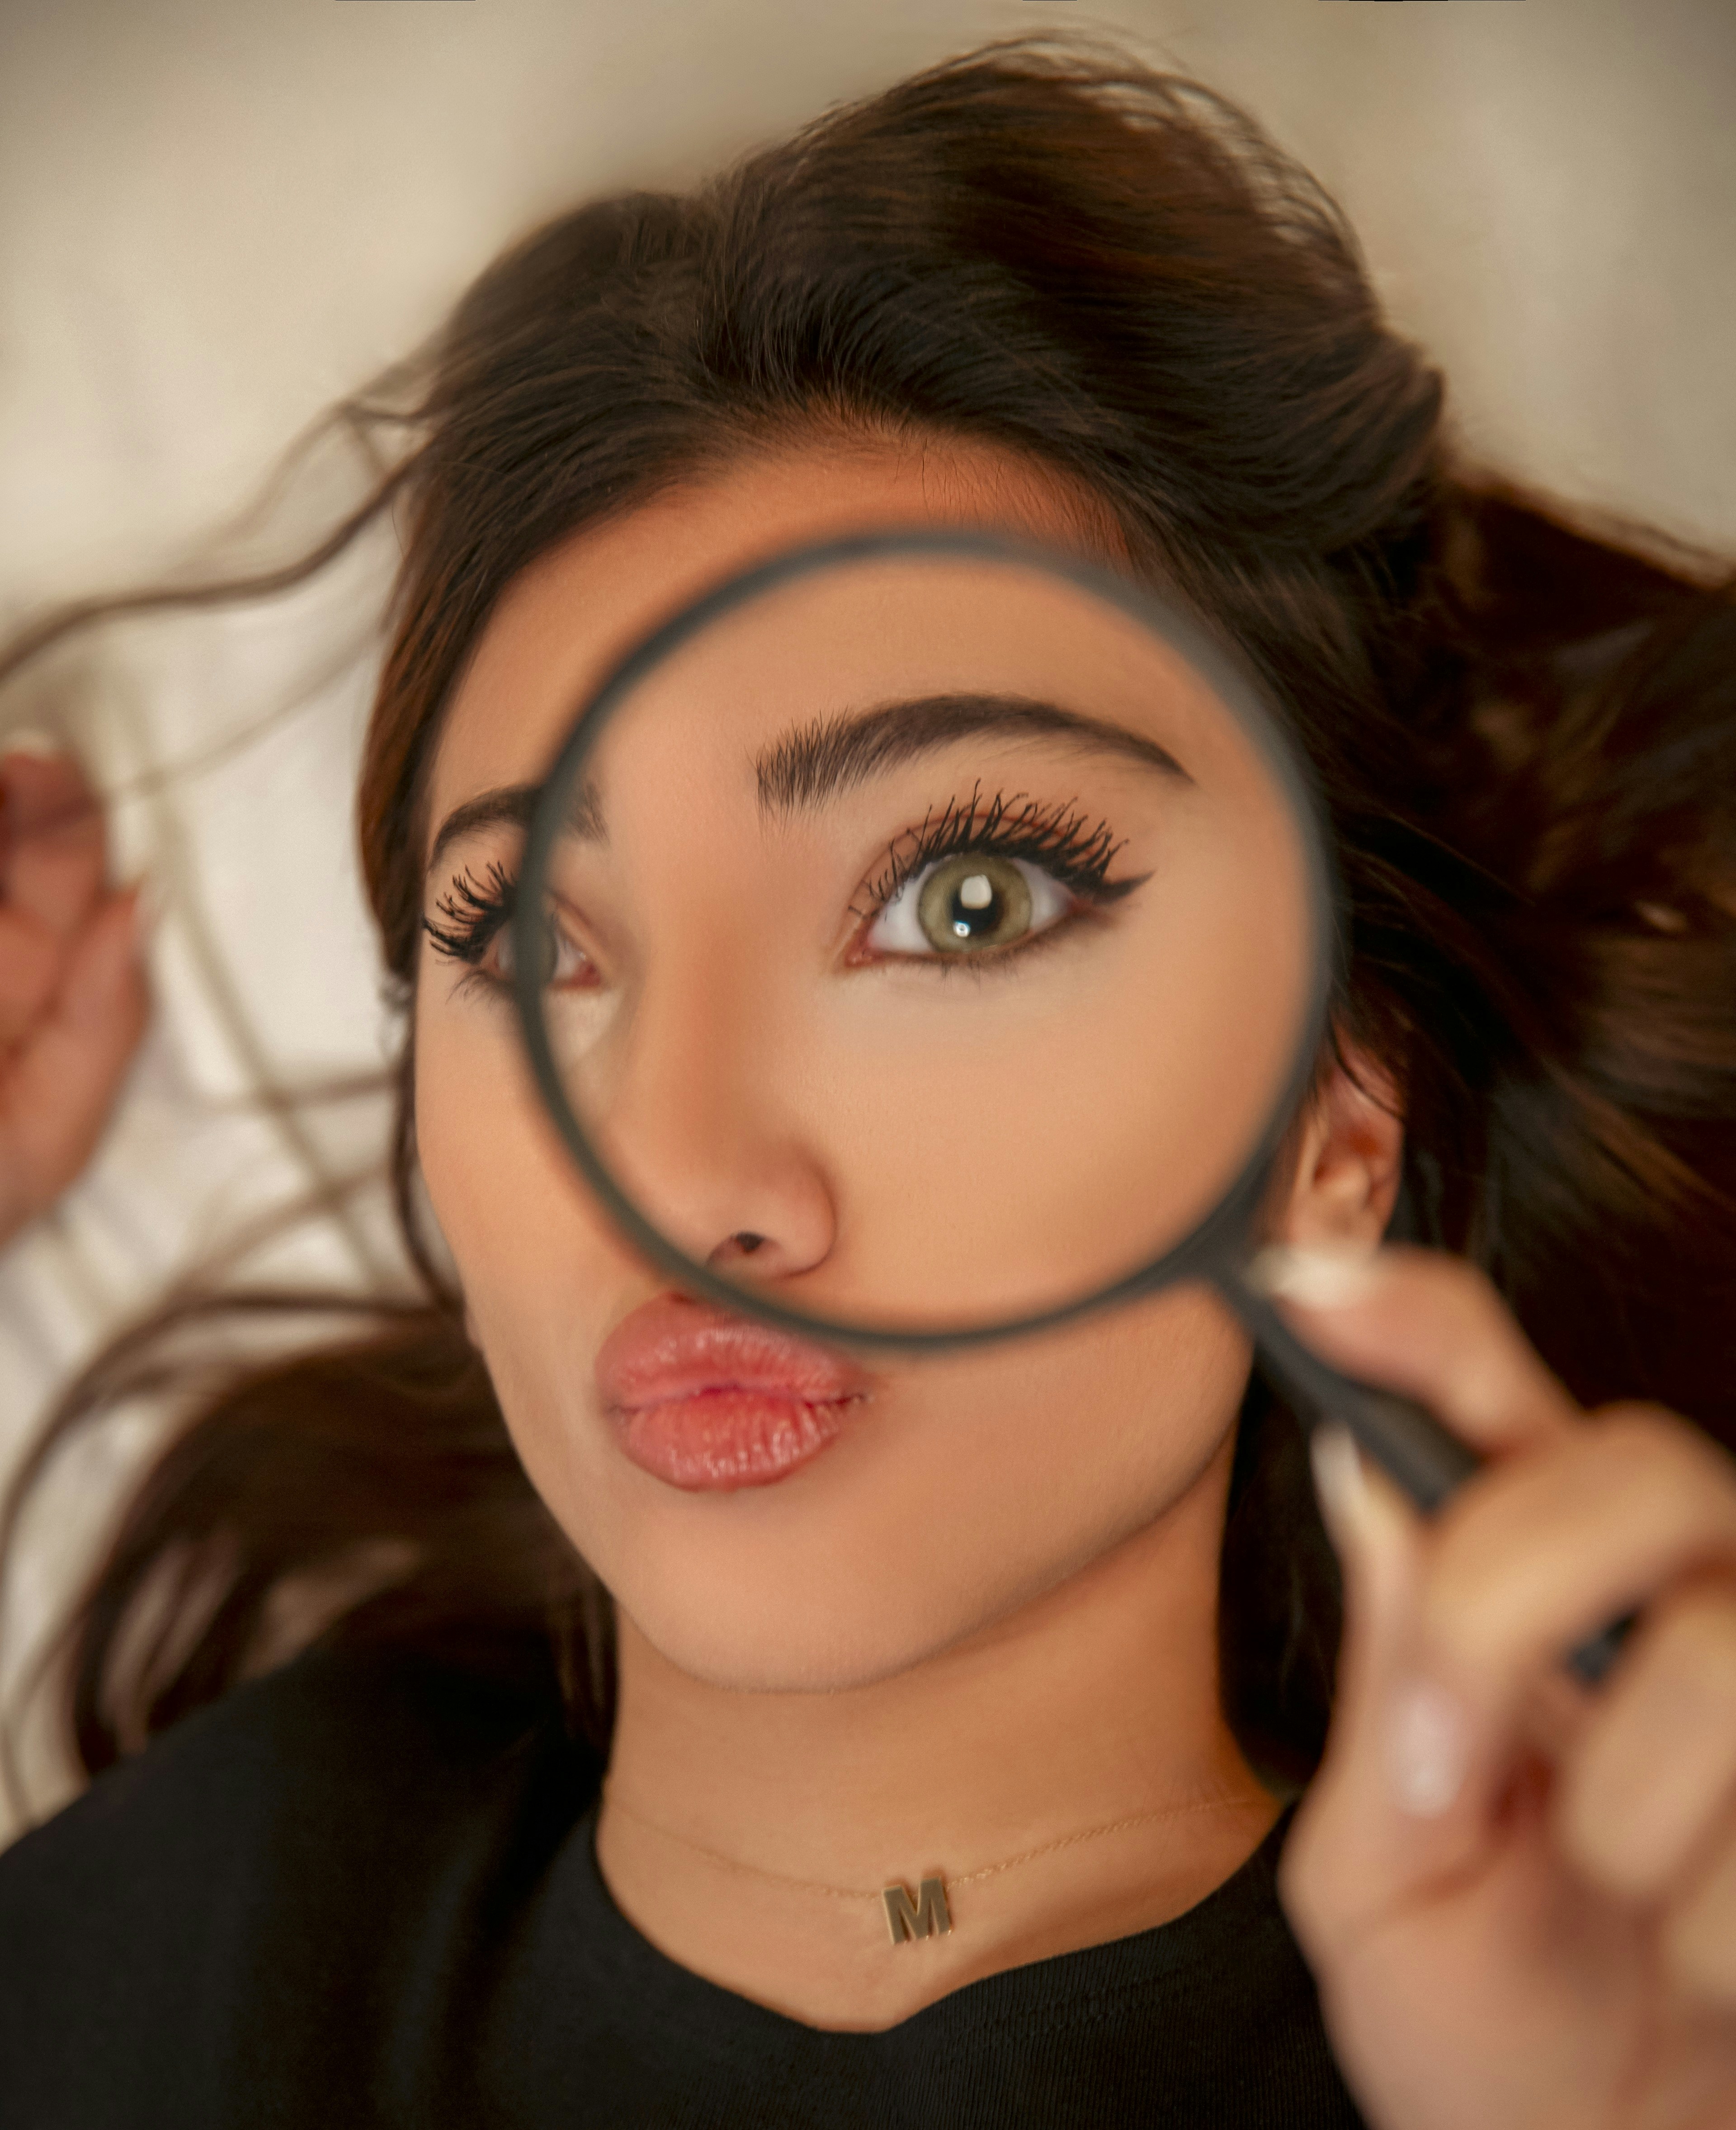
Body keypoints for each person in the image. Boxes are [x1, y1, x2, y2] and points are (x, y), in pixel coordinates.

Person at [1, 31, 1734, 2129]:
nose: (682, 1166)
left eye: (967, 902)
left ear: (1332, 1121)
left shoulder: (1615, 2034)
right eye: (531, 944)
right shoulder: (174, 1943)